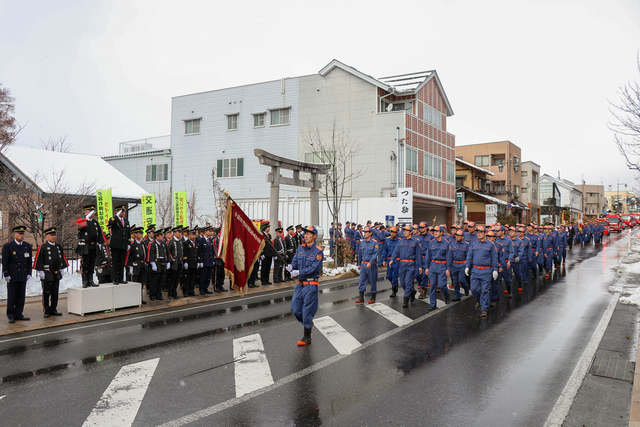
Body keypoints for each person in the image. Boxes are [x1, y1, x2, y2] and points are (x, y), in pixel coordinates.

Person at [286, 225, 324, 347]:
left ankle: (307, 336)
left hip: (311, 284)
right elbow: (296, 261)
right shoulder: (300, 248)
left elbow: (314, 267)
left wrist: (299, 272)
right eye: (305, 233)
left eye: (309, 233)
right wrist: (291, 267)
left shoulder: (318, 251)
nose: (306, 235)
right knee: (295, 310)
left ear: (314, 236)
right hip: (300, 285)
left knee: (307, 311)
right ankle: (308, 323)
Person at [33, 227, 68, 317]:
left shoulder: (58, 246)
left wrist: (62, 268)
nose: (53, 237)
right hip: (47, 273)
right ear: (47, 236)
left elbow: (62, 258)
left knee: (55, 292)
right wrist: (41, 271)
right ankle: (47, 310)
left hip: (56, 273)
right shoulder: (43, 247)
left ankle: (53, 309)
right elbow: (38, 260)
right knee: (46, 292)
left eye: (54, 235)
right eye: (51, 235)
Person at [465, 225, 498, 318]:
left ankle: (484, 309)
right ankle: (480, 301)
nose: (478, 234)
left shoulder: (491, 245)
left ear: (485, 233)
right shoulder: (473, 244)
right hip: (475, 271)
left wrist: (495, 270)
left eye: (480, 232)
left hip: (486, 271)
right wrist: (467, 266)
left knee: (485, 290)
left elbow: (494, 259)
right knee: (475, 289)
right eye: (477, 232)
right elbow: (469, 256)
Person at [2, 225, 32, 323]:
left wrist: (29, 272)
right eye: (19, 233)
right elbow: (5, 261)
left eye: (22, 234)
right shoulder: (8, 246)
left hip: (23, 275)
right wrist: (6, 274)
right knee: (12, 296)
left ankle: (19, 314)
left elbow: (29, 261)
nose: (21, 235)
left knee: (21, 296)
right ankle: (11, 314)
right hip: (12, 275)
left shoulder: (27, 246)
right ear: (14, 234)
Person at [390, 225, 423, 308]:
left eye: (406, 230)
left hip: (411, 265)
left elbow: (418, 255)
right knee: (403, 283)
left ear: (410, 232)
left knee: (408, 282)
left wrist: (419, 267)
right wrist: (392, 260)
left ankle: (405, 301)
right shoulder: (400, 241)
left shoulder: (415, 242)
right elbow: (396, 251)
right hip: (402, 264)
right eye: (404, 230)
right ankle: (412, 292)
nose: (404, 232)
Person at [78, 204, 104, 287]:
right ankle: (84, 281)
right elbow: (79, 229)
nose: (93, 213)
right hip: (85, 246)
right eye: (90, 211)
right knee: (85, 264)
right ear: (86, 212)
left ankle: (90, 280)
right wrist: (86, 219)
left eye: (93, 211)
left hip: (93, 246)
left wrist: (100, 242)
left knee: (92, 264)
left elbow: (99, 234)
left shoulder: (95, 223)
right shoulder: (82, 221)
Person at [426, 226, 451, 308]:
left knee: (442, 285)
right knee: (432, 286)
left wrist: (448, 268)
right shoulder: (431, 242)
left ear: (441, 232)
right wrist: (427, 267)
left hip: (442, 266)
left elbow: (448, 257)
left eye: (437, 231)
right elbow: (428, 256)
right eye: (434, 231)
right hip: (433, 265)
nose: (435, 233)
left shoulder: (446, 243)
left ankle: (447, 297)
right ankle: (432, 304)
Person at [356, 227, 379, 304]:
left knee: (372, 281)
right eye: (364, 232)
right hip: (363, 264)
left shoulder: (374, 243)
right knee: (362, 280)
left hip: (371, 265)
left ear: (370, 233)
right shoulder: (362, 243)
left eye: (366, 232)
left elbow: (375, 254)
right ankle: (361, 298)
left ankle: (373, 297)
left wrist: (371, 262)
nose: (364, 233)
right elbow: (360, 254)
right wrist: (359, 264)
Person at [109, 204, 130, 284]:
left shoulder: (126, 221)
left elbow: (128, 233)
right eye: (121, 211)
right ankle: (115, 279)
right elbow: (110, 223)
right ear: (117, 212)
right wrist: (116, 216)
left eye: (124, 211)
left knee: (122, 262)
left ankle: (121, 278)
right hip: (116, 245)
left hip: (123, 245)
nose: (123, 213)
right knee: (115, 262)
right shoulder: (114, 219)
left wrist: (128, 243)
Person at [126, 226, 147, 303]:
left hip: (142, 265)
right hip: (135, 266)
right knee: (135, 283)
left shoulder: (143, 244)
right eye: (139, 233)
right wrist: (130, 266)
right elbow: (129, 257)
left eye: (141, 233)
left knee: (141, 283)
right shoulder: (132, 245)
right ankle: (133, 299)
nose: (141, 235)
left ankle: (140, 299)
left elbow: (145, 254)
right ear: (135, 234)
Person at [448, 229, 469, 301]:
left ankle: (466, 288)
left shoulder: (466, 245)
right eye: (456, 235)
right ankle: (457, 296)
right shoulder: (452, 244)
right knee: (455, 282)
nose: (457, 237)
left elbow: (468, 256)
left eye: (459, 235)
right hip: (454, 265)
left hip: (462, 265)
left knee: (462, 280)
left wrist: (467, 266)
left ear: (463, 237)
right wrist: (449, 267)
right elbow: (449, 256)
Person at [146, 230, 168, 300]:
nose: (162, 237)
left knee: (161, 281)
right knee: (154, 281)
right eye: (161, 235)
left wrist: (168, 262)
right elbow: (150, 254)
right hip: (156, 264)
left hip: (163, 265)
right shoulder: (153, 244)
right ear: (157, 236)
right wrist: (152, 264)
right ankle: (152, 295)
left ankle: (159, 294)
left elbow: (167, 253)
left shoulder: (163, 244)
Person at [382, 227, 400, 297]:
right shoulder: (387, 240)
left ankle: (394, 291)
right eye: (391, 232)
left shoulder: (399, 241)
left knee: (394, 275)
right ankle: (395, 284)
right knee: (389, 276)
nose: (392, 233)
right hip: (389, 260)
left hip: (396, 260)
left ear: (396, 233)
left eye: (394, 232)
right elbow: (385, 251)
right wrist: (384, 260)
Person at [167, 226, 184, 298]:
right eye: (178, 232)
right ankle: (170, 293)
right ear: (174, 233)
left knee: (177, 279)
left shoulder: (180, 241)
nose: (180, 234)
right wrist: (171, 259)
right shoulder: (171, 241)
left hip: (180, 262)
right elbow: (168, 252)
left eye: (180, 232)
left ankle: (174, 293)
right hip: (174, 263)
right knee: (172, 279)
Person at [182, 228, 199, 296]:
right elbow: (185, 253)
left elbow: (197, 253)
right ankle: (185, 292)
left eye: (194, 235)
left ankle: (191, 291)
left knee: (193, 278)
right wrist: (185, 261)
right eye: (192, 235)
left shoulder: (196, 243)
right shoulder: (186, 243)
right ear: (189, 236)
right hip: (188, 263)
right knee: (187, 279)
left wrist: (198, 261)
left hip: (194, 263)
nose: (194, 236)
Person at [198, 226, 214, 295]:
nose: (210, 232)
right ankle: (201, 289)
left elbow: (211, 251)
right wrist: (200, 261)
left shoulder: (210, 240)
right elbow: (199, 251)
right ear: (205, 232)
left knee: (208, 277)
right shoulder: (201, 240)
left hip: (209, 261)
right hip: (204, 262)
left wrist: (212, 260)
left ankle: (206, 288)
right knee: (203, 276)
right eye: (208, 231)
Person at [212, 228, 227, 292]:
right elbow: (216, 250)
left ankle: (221, 285)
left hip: (223, 259)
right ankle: (216, 287)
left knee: (222, 274)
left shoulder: (223, 240)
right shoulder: (215, 240)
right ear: (218, 233)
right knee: (217, 274)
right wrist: (220, 257)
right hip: (217, 259)